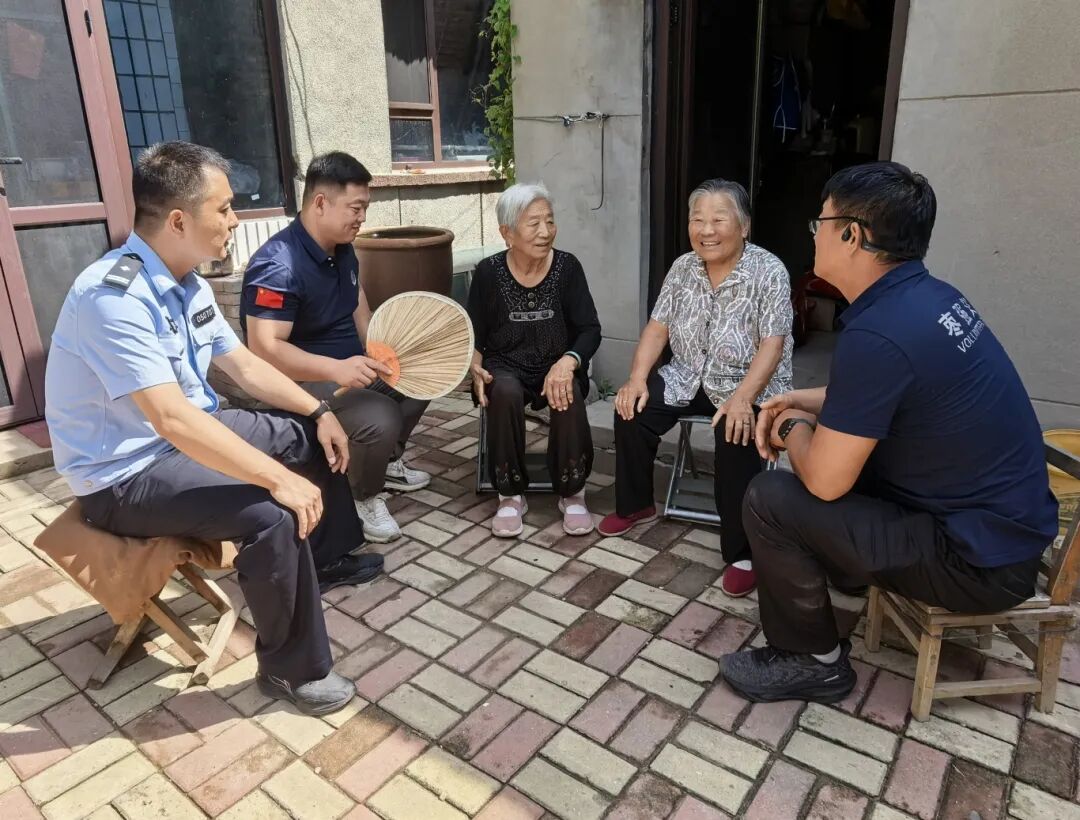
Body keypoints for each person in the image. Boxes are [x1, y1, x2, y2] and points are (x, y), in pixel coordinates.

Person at [45, 142, 381, 715]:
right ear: (179, 220)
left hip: (185, 436)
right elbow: (171, 420)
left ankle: (325, 559)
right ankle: (290, 670)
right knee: (270, 511)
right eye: (224, 209)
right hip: (124, 477)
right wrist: (276, 479)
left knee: (310, 438)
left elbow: (244, 366)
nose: (234, 220)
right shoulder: (112, 298)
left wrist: (319, 412)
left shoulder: (188, 281)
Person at [719, 162, 1058, 704]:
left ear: (852, 234)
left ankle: (814, 660)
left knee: (770, 496)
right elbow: (894, 398)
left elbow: (827, 481)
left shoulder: (879, 332)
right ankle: (849, 572)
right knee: (847, 455)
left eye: (821, 223)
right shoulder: (930, 299)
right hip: (1004, 534)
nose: (816, 234)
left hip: (974, 561)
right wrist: (800, 399)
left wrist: (788, 424)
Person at [599, 179, 793, 598]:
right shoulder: (682, 267)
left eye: (718, 219)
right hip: (688, 374)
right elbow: (657, 328)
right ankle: (636, 504)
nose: (706, 230)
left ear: (743, 226)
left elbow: (772, 345)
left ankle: (741, 551)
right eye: (698, 220)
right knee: (630, 408)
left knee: (735, 429)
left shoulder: (769, 271)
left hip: (748, 383)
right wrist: (635, 379)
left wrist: (743, 398)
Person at [242, 152, 430, 543]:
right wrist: (336, 369)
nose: (362, 217)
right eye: (355, 207)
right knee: (379, 415)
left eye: (365, 208)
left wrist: (379, 347)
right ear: (321, 203)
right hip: (301, 381)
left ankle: (382, 462)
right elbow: (264, 349)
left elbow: (356, 297)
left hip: (347, 368)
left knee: (421, 375)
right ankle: (362, 495)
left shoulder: (342, 247)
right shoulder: (279, 265)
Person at [468, 183, 601, 537]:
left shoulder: (568, 268)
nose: (545, 232)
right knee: (504, 391)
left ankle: (572, 491)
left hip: (556, 363)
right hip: (504, 364)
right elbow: (475, 334)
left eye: (550, 221)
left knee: (566, 388)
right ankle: (510, 494)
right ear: (507, 232)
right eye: (533, 223)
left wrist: (569, 361)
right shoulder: (487, 273)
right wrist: (475, 367)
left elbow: (589, 329)